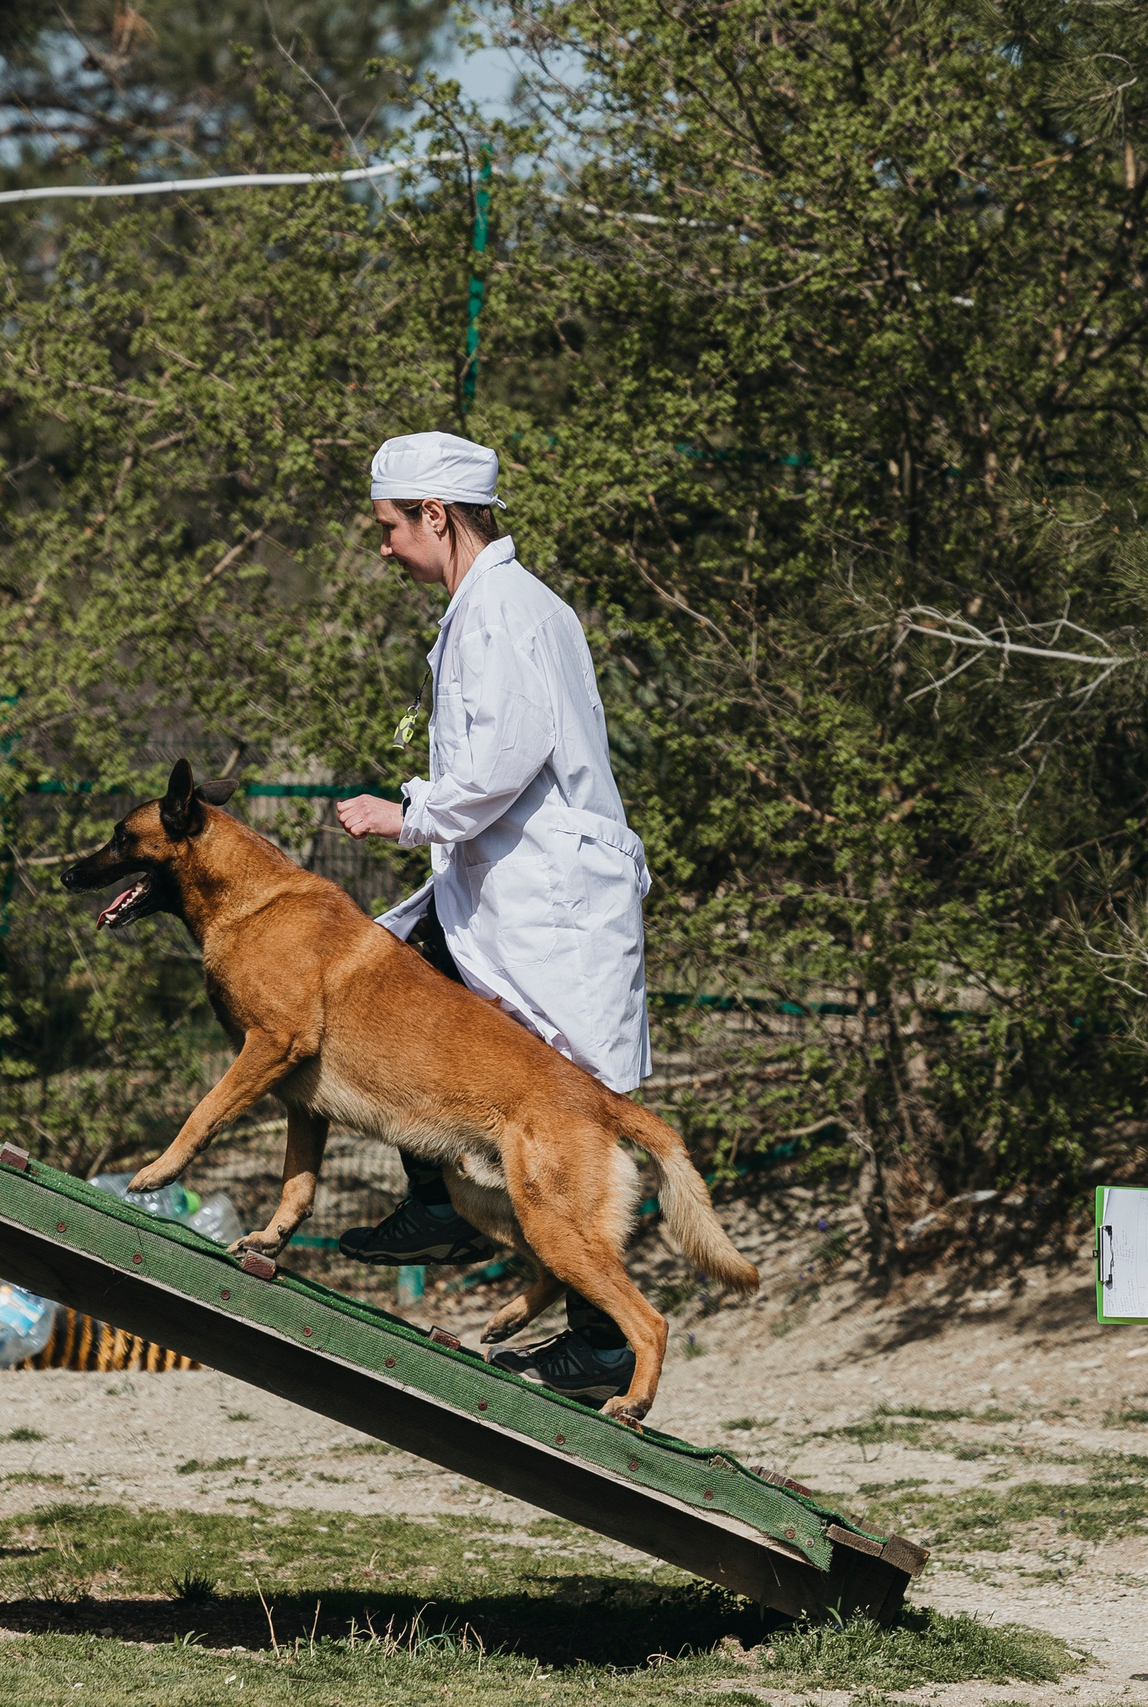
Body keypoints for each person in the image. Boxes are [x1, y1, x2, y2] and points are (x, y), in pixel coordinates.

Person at [331, 429, 655, 1404]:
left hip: (552, 905)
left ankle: (601, 1344)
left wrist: (407, 814)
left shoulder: (506, 612)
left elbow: (503, 757)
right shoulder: (490, 607)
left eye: (389, 526)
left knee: (559, 1115)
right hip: (510, 891)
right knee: (381, 973)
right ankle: (433, 1194)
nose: (382, 546)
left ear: (436, 514)